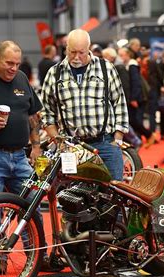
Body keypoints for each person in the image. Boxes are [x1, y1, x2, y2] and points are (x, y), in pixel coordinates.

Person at [0, 41, 52, 271]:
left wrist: (36, 148)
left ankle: (36, 256)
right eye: (9, 63)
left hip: (19, 156)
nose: (13, 68)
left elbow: (33, 115)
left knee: (32, 204)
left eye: (17, 63)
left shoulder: (22, 79)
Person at [41, 29, 128, 181]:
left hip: (106, 144)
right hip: (73, 148)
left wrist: (118, 139)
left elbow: (119, 102)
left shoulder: (105, 69)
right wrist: (58, 140)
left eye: (81, 52)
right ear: (66, 49)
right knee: (76, 197)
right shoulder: (54, 73)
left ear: (89, 49)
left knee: (114, 195)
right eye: (72, 52)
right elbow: (47, 113)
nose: (76, 57)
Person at [118, 47, 155, 148]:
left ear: (128, 54)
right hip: (136, 97)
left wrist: (133, 98)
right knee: (133, 120)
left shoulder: (132, 65)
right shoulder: (129, 65)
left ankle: (149, 135)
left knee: (134, 120)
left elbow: (135, 83)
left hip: (137, 97)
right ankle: (146, 137)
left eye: (122, 55)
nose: (120, 57)